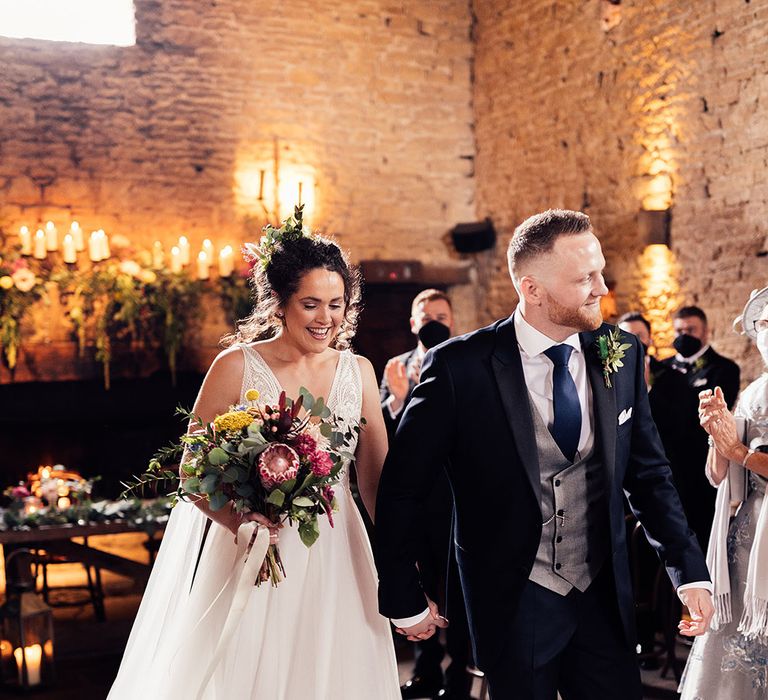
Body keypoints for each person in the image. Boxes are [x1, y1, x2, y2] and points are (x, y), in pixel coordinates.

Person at [375, 209, 713, 700]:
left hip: (602, 597)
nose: (601, 289)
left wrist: (688, 571)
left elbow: (649, 477)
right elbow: (403, 488)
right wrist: (403, 593)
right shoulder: (458, 369)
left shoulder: (621, 352)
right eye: (584, 278)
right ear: (532, 289)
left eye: (600, 272)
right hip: (513, 599)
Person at [108, 210, 400, 699]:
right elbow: (193, 471)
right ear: (280, 303)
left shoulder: (361, 372)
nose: (326, 319)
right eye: (310, 304)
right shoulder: (236, 366)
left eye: (336, 304)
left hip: (340, 554)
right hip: (257, 547)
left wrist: (402, 559)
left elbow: (375, 482)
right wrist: (240, 520)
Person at [380, 289, 473, 700]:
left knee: (452, 582)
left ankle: (458, 677)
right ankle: (425, 669)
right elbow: (381, 434)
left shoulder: (465, 360)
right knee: (418, 573)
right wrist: (398, 401)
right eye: (426, 315)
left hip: (453, 494)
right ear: (413, 322)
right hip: (410, 494)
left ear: (451, 321)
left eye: (441, 314)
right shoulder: (395, 368)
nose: (434, 320)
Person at [679, 286, 768, 699]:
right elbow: (718, 476)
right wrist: (716, 435)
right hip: (745, 542)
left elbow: (744, 456)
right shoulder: (753, 393)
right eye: (762, 325)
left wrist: (738, 450)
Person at [663, 306, 741, 551]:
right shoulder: (662, 369)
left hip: (702, 468)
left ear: (705, 332)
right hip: (667, 468)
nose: (684, 335)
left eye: (691, 330)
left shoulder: (724, 369)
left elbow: (705, 419)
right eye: (679, 330)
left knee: (703, 539)